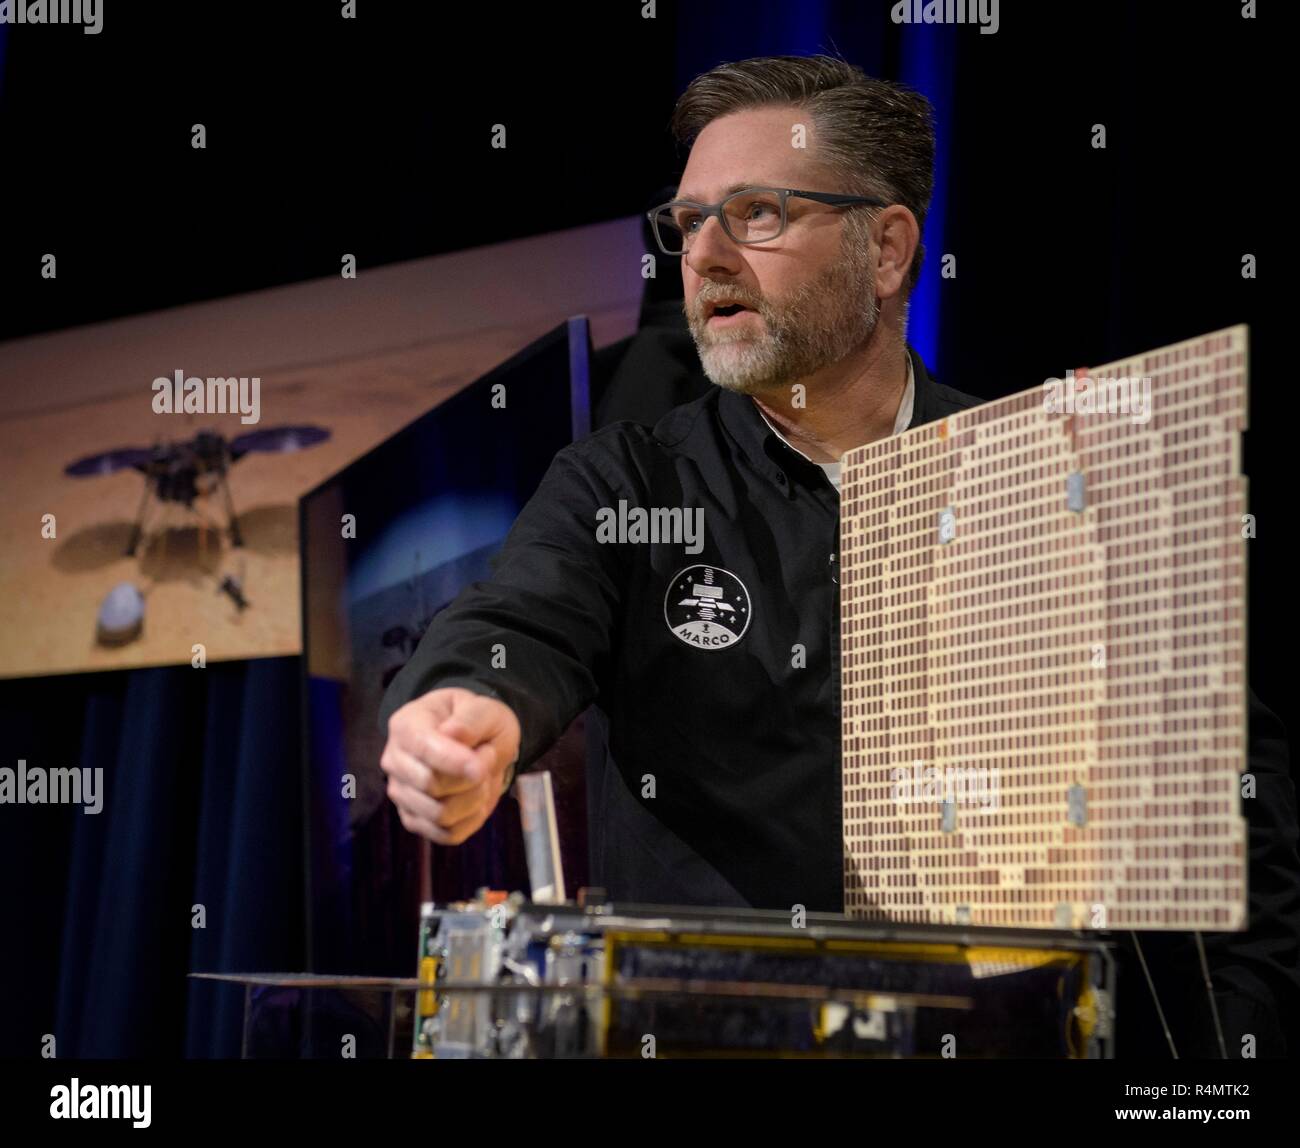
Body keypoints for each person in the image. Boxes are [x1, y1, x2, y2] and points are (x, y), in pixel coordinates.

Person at [378, 54, 1300, 1057]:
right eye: (687, 223)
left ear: (889, 249)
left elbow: (1233, 844)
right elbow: (516, 625)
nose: (707, 257)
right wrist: (463, 707)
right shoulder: (627, 485)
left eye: (757, 214)